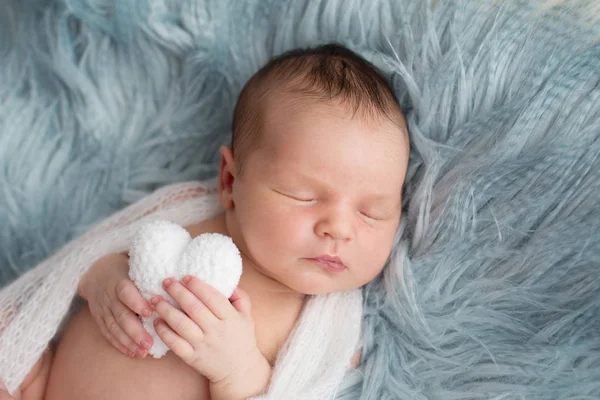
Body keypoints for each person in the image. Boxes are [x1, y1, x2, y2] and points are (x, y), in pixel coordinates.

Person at [7, 42, 410, 400]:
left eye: (371, 212)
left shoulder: (333, 334)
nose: (338, 229)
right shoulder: (186, 212)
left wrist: (237, 371)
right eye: (303, 196)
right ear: (230, 181)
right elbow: (83, 256)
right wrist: (101, 278)